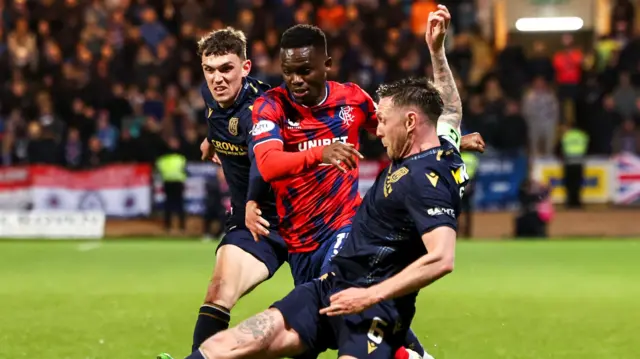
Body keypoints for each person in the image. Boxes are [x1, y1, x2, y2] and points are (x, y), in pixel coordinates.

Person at [174, 6, 466, 359]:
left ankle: (410, 352)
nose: (295, 80)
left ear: (326, 64)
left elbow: (398, 127)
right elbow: (266, 164)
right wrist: (320, 153)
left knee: (351, 300)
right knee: (306, 327)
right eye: (288, 72)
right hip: (299, 242)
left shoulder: (352, 100)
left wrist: (447, 139)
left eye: (305, 71)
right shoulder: (270, 106)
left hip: (343, 230)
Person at [187, 27, 289, 353]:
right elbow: (217, 122)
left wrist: (251, 202)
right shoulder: (210, 95)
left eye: (226, 69)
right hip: (255, 226)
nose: (217, 79)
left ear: (245, 68)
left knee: (342, 299)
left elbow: (264, 162)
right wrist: (210, 142)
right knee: (218, 294)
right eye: (209, 70)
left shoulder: (259, 109)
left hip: (301, 219)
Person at [156, 136, 187, 233]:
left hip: (173, 183)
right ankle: (173, 226)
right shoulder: (180, 158)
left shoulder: (163, 159)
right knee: (174, 205)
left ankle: (178, 226)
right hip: (172, 183)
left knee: (174, 205)